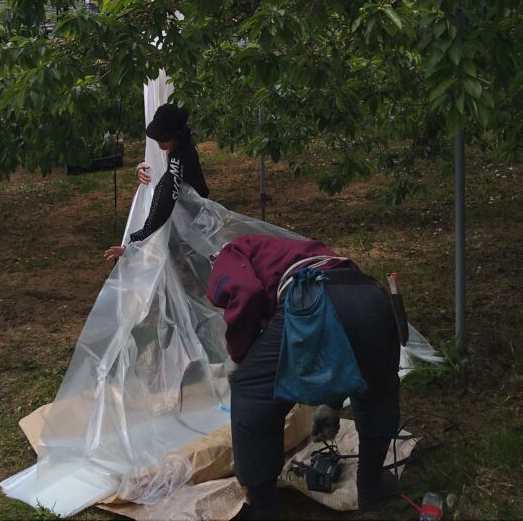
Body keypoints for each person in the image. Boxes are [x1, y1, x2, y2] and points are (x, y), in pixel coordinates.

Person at [206, 234, 400, 519]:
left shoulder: (228, 254)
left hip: (313, 297)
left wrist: (240, 356)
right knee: (376, 391)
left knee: (250, 390)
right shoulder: (291, 249)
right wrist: (332, 405)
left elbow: (246, 291)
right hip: (372, 295)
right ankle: (371, 488)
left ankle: (263, 508)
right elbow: (343, 326)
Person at [104, 103, 209, 261]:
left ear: (176, 135)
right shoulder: (182, 148)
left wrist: (138, 239)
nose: (160, 144)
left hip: (193, 222)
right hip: (191, 218)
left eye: (164, 139)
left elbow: (164, 200)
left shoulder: (179, 159)